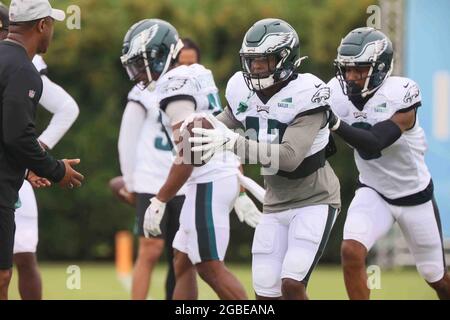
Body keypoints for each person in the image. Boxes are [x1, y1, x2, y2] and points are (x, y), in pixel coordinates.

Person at [187, 18, 341, 300]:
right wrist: (197, 129)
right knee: (265, 294)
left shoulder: (308, 94)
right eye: (252, 60)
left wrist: (232, 142)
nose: (256, 68)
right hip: (274, 202)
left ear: (285, 59)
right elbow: (226, 122)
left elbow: (290, 157)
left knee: (292, 285)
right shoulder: (241, 89)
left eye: (264, 61)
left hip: (315, 199)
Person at [121, 19, 261, 300]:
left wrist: (160, 199)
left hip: (208, 179)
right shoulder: (195, 72)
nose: (136, 73)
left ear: (161, 56)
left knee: (209, 267)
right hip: (216, 174)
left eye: (141, 63)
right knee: (182, 260)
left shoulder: (173, 85)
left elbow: (190, 152)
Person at [327, 27, 450, 300]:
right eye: (346, 69)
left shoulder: (400, 95)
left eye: (359, 69)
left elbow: (374, 142)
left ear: (380, 68)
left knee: (436, 278)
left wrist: (334, 123)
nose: (350, 77)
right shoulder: (334, 92)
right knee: (351, 250)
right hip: (373, 191)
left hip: (414, 196)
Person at [0, 0, 84, 300]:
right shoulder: (23, 69)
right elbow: (17, 136)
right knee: (1, 276)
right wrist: (56, 169)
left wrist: (25, 167)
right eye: (52, 25)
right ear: (42, 25)